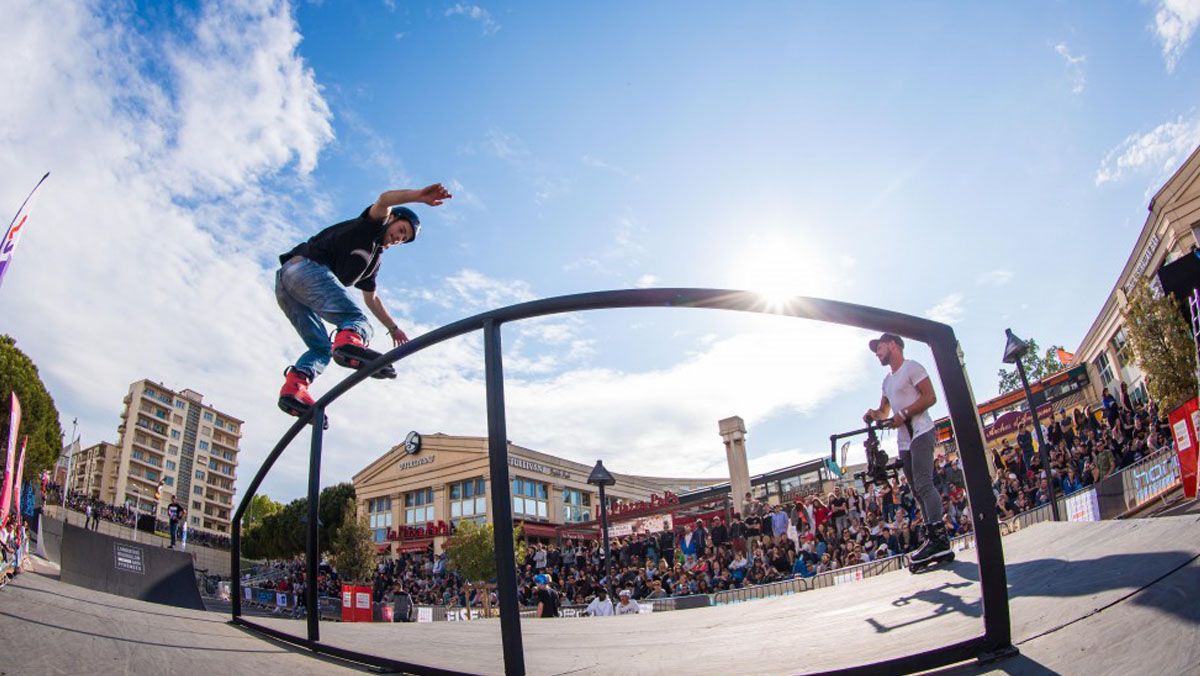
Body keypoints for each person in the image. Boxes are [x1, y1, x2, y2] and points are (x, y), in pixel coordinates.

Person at [276, 184, 453, 416]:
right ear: (392, 219)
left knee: (320, 348)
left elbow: (373, 299)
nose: (398, 238)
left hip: (286, 287)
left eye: (403, 238)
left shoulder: (372, 262)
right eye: (400, 230)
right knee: (356, 320)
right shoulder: (371, 227)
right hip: (305, 268)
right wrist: (418, 197)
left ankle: (295, 388)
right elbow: (384, 199)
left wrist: (394, 328)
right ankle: (349, 345)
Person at [863, 332, 949, 566]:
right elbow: (884, 412)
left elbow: (930, 397)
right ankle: (932, 536)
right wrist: (874, 415)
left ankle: (940, 538)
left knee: (924, 482)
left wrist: (904, 414)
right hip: (904, 440)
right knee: (916, 489)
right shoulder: (887, 381)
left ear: (893, 345)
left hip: (921, 430)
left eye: (879, 348)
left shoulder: (912, 368)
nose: (877, 353)